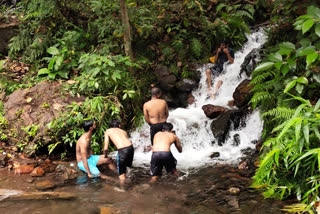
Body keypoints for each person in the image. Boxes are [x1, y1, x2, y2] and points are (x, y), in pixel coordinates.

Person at [104, 119, 134, 186]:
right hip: (131, 148)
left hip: (123, 150)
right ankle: (130, 183)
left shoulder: (108, 131)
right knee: (127, 168)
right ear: (119, 125)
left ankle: (122, 189)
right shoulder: (124, 131)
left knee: (121, 173)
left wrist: (105, 156)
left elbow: (105, 148)